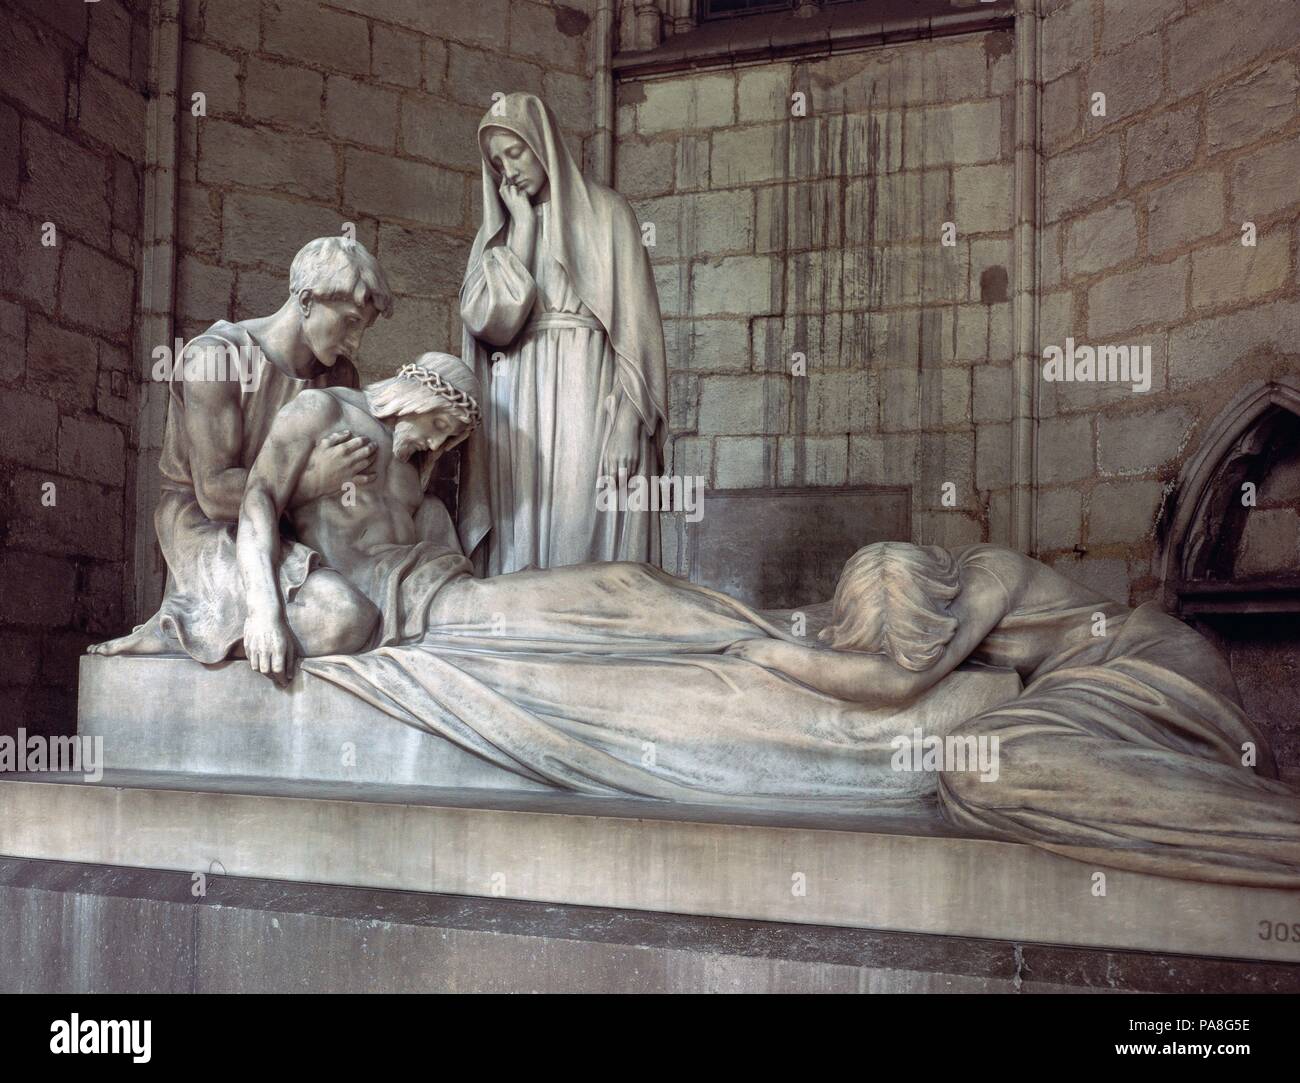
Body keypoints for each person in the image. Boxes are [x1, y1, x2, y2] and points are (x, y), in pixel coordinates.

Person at [90, 236, 392, 661]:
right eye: (349, 321)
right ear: (306, 300)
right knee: (344, 618)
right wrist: (313, 482)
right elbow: (213, 494)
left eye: (364, 328)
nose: (355, 342)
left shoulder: (337, 375)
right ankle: (181, 625)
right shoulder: (215, 359)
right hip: (212, 531)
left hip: (293, 528)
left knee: (388, 597)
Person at [457, 92, 669, 575]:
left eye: (516, 153)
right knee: (522, 534)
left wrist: (629, 421)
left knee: (583, 522)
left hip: (586, 392)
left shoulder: (610, 214)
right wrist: (525, 231)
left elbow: (638, 331)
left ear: (544, 144)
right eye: (496, 162)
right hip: (515, 407)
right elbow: (494, 324)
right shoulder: (496, 238)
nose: (507, 171)